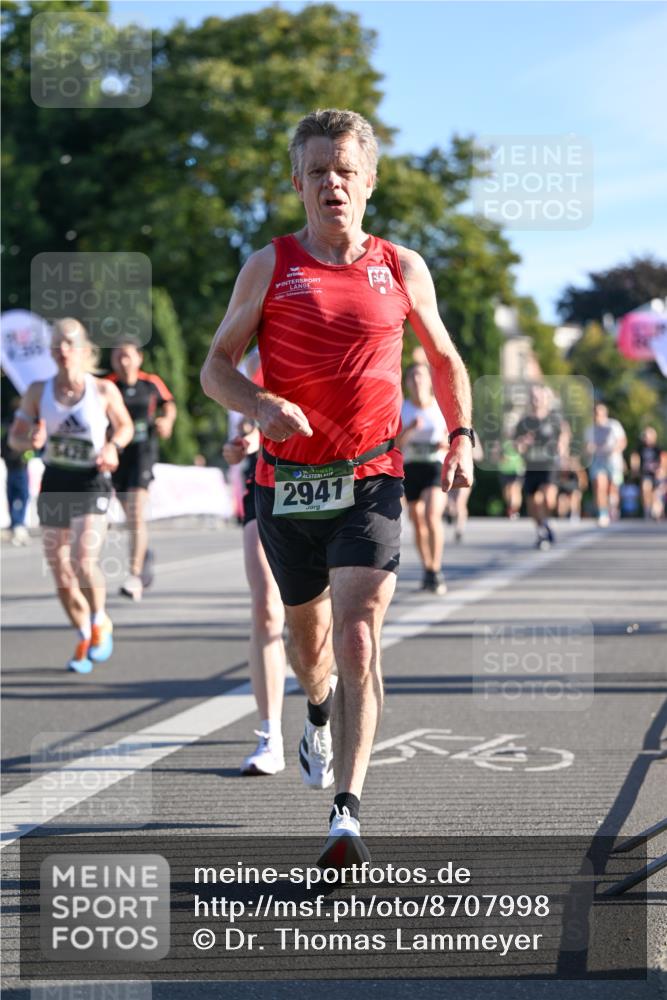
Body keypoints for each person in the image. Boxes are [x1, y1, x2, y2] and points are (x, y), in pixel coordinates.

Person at [201, 109, 473, 865]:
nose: (332, 183)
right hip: (285, 484)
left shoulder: (401, 266)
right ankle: (315, 708)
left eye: (345, 170)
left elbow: (444, 359)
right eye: (318, 171)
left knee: (358, 632)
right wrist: (256, 405)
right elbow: (215, 366)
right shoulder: (270, 264)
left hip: (371, 476)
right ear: (297, 182)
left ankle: (346, 811)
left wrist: (459, 434)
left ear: (369, 181)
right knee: (307, 642)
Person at [8, 318, 133, 673]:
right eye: (56, 345)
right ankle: (82, 634)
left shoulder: (103, 391)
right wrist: (27, 439)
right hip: (55, 480)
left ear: (83, 350)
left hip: (92, 481)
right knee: (60, 573)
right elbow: (16, 437)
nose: (62, 351)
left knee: (82, 560)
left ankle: (99, 620)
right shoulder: (36, 391)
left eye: (69, 344)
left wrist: (112, 446)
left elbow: (123, 426)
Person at [223, 350, 287, 776]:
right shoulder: (247, 365)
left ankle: (322, 702)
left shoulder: (325, 338)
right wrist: (239, 445)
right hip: (264, 484)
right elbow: (236, 442)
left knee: (324, 617)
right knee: (266, 610)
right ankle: (272, 735)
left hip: (327, 488)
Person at [107, 337, 177, 600]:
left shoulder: (151, 383)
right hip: (117, 455)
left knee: (136, 512)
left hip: (144, 452)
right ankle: (143, 551)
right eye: (117, 356)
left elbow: (169, 405)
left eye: (127, 355)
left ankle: (134, 575)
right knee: (130, 517)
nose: (123, 361)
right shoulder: (109, 386)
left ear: (138, 358)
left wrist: (167, 421)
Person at [397, 362, 448, 594]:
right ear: (407, 383)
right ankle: (427, 567)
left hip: (434, 465)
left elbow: (452, 439)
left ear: (429, 381)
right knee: (416, 519)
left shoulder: (440, 408)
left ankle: (436, 568)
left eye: (421, 376)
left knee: (431, 514)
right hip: (410, 468)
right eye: (412, 377)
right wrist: (408, 429)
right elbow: (394, 445)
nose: (417, 381)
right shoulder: (402, 409)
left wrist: (443, 444)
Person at [515, 385, 565, 549]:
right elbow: (517, 445)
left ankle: (545, 522)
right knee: (532, 503)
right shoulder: (524, 422)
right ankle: (542, 530)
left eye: (539, 397)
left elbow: (564, 433)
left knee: (547, 499)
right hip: (531, 465)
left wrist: (562, 446)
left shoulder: (553, 418)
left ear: (545, 399)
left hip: (549, 464)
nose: (536, 400)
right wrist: (522, 443)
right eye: (533, 397)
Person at [585, 402, 627, 527]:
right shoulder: (590, 429)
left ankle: (613, 508)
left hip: (613, 462)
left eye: (599, 413)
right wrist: (589, 449)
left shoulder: (614, 425)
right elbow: (587, 446)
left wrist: (614, 450)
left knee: (613, 489)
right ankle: (603, 514)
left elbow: (622, 441)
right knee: (599, 486)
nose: (597, 415)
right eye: (595, 413)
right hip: (598, 461)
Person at [2, 398, 32, 545]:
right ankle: (18, 524)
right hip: (19, 466)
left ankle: (16, 523)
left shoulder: (7, 424)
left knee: (14, 496)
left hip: (13, 466)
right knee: (21, 496)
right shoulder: (21, 426)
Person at [630, 426, 662, 520]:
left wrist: (661, 470)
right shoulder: (640, 447)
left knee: (655, 494)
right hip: (645, 473)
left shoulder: (657, 448)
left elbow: (663, 459)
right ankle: (647, 509)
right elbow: (635, 457)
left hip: (656, 474)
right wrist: (635, 469)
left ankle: (656, 510)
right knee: (645, 489)